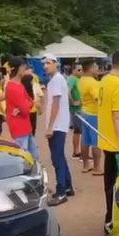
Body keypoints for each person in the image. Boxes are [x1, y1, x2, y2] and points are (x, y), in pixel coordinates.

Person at [98, 50, 119, 235]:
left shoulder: (105, 80)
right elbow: (117, 116)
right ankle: (111, 221)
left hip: (106, 140)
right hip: (116, 144)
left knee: (110, 182)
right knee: (116, 185)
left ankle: (112, 218)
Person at [43, 53, 74, 206]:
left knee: (56, 159)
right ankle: (68, 187)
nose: (45, 66)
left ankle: (61, 191)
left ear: (56, 64)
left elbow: (55, 104)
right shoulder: (57, 80)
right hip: (59, 124)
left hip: (57, 125)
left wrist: (50, 127)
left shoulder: (56, 80)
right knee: (59, 157)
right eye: (44, 63)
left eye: (48, 63)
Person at [5, 57, 39, 161]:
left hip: (25, 127)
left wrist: (25, 105)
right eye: (24, 68)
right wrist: (26, 105)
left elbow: (29, 101)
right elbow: (25, 108)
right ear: (19, 69)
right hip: (19, 129)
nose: (25, 70)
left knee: (34, 158)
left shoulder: (18, 85)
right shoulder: (13, 87)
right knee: (23, 159)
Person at [78, 59, 103, 175]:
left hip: (84, 112)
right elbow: (98, 98)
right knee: (96, 142)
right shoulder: (92, 82)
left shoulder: (81, 80)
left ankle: (85, 165)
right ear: (91, 68)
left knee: (85, 140)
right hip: (94, 114)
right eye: (96, 66)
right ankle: (97, 167)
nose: (97, 69)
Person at [67, 64, 83, 159]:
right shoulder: (73, 79)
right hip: (77, 110)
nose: (81, 71)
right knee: (81, 131)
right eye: (79, 70)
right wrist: (73, 102)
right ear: (73, 70)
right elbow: (68, 90)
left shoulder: (75, 79)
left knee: (77, 131)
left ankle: (77, 151)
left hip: (78, 109)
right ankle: (79, 152)